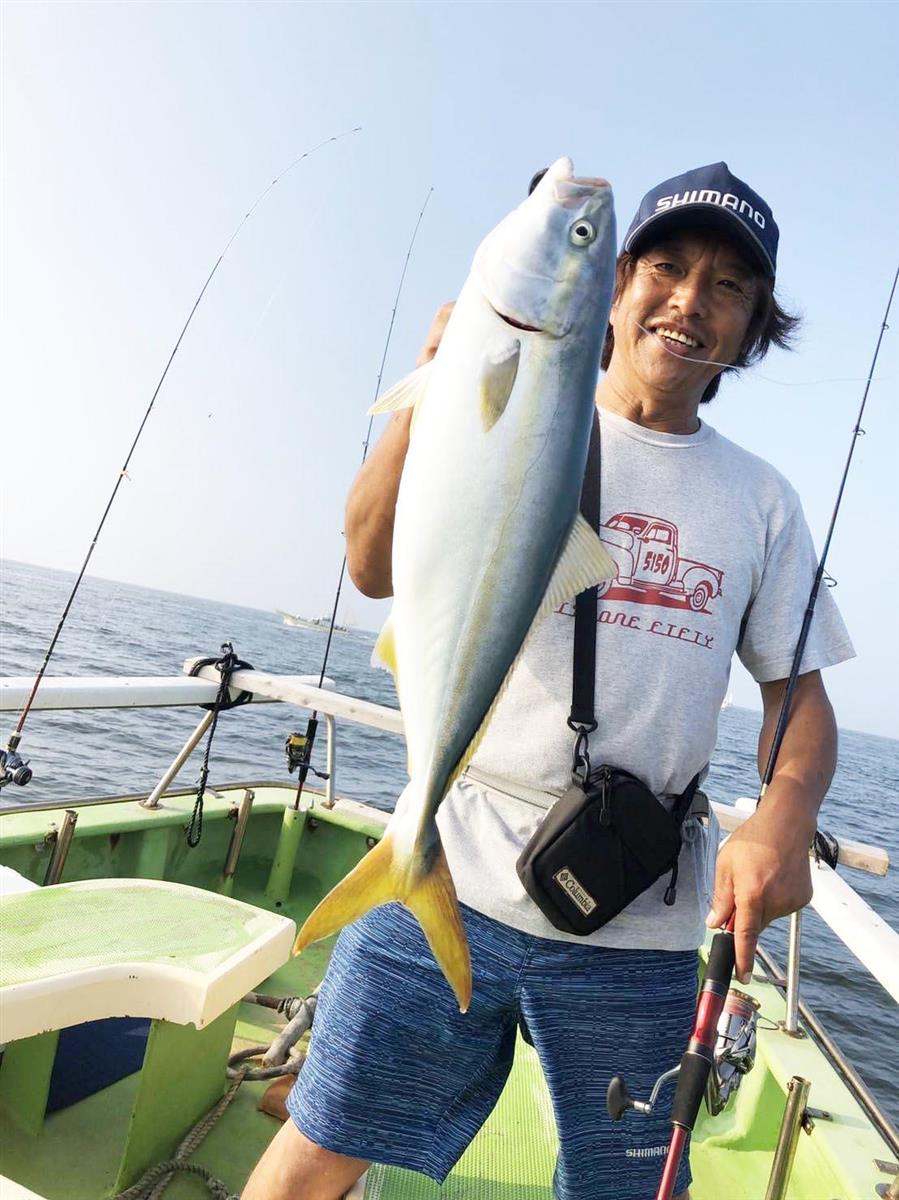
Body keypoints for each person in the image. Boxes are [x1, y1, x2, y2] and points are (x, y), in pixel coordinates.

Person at [243, 162, 854, 1200]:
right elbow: (369, 565)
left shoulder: (760, 502)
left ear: (752, 330)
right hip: (455, 847)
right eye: (665, 267)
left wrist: (783, 815)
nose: (688, 302)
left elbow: (796, 697)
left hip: (641, 924)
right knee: (319, 1141)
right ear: (614, 285)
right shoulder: (510, 395)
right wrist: (440, 381)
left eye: (726, 288)